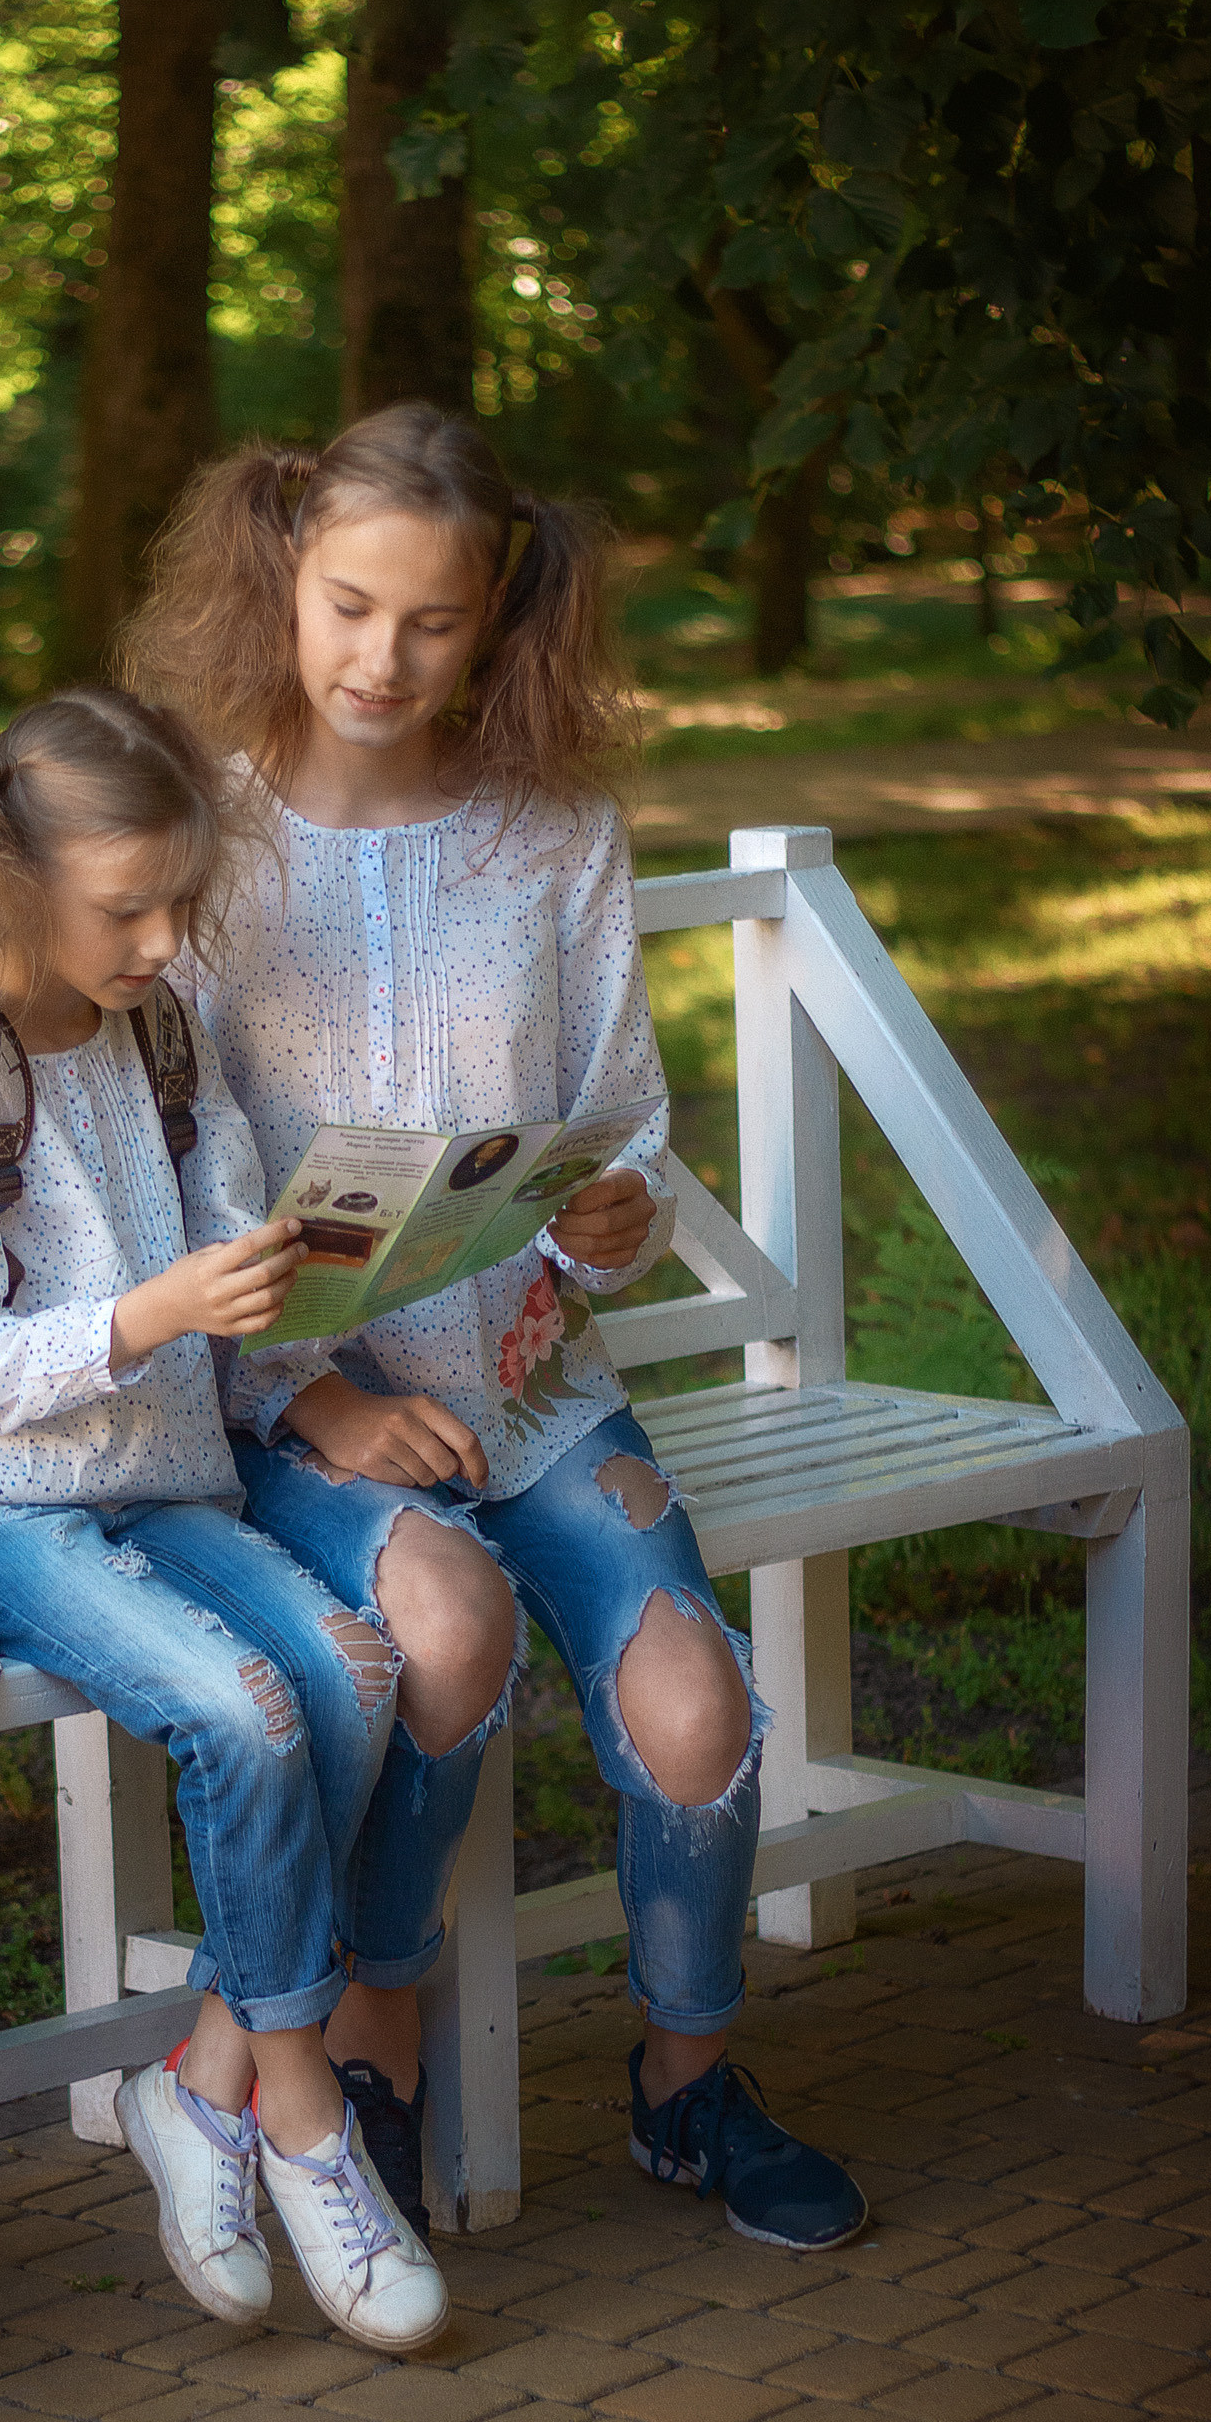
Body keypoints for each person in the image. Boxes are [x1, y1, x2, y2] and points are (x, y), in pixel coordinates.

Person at [120, 406, 867, 2253]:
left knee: (693, 1708)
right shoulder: (194, 840)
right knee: (437, 1634)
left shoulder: (557, 839)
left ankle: (690, 2095)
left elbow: (619, 1115)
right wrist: (318, 1401)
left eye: (433, 623)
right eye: (349, 606)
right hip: (297, 1425)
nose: (382, 659)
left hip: (533, 1393)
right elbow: (162, 1174)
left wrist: (617, 1219)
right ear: (281, 577)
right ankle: (368, 2052)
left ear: (499, 619)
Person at [0, 686, 449, 2350]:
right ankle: (307, 2109)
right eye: (129, 909)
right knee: (245, 1712)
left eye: (181, 901)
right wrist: (161, 1308)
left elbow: (227, 1205)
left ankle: (201, 2080)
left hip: (160, 1471)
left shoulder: (159, 1029)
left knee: (355, 1668)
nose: (168, 940)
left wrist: (273, 1262)